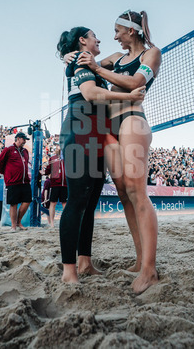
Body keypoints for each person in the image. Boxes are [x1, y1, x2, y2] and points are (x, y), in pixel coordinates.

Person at [71, 10, 161, 293]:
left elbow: (135, 83)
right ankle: (140, 260)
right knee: (123, 192)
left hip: (132, 119)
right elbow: (87, 61)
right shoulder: (115, 58)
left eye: (118, 31)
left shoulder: (151, 53)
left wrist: (97, 69)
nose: (114, 37)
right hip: (110, 125)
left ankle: (149, 270)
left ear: (131, 31)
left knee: (137, 191)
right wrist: (71, 57)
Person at [57, 26, 145, 285]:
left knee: (90, 201)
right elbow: (91, 93)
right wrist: (129, 96)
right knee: (77, 201)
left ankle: (85, 262)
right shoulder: (78, 60)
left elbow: (110, 64)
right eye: (94, 36)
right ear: (82, 40)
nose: (99, 39)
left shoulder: (90, 63)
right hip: (80, 130)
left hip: (96, 133)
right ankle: (69, 271)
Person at [0, 132, 32, 231]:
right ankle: (13, 226)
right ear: (18, 138)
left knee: (27, 201)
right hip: (12, 181)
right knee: (13, 203)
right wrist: (6, 173)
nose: (25, 142)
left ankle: (18, 222)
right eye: (24, 139)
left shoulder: (25, 151)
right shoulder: (9, 149)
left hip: (25, 181)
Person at [44, 146, 67, 228]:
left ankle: (66, 222)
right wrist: (43, 172)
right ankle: (52, 224)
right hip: (55, 184)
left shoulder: (68, 158)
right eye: (57, 148)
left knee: (64, 203)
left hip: (65, 184)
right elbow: (47, 170)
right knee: (53, 203)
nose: (59, 149)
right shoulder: (53, 158)